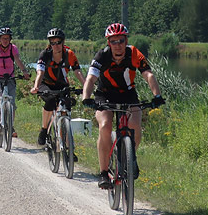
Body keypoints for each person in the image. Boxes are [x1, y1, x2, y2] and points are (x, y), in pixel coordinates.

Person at [81, 23, 164, 189]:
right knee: (105, 126)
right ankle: (104, 172)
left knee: (135, 124)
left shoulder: (133, 53)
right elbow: (90, 79)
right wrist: (86, 97)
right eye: (113, 41)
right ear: (108, 43)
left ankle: (131, 156)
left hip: (127, 93)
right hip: (104, 94)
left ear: (126, 40)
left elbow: (148, 75)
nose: (117, 45)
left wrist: (157, 95)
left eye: (121, 40)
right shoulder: (102, 56)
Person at [30, 28, 86, 153]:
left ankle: (68, 149)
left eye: (58, 42)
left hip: (62, 85)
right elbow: (40, 72)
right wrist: (36, 87)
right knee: (49, 101)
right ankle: (44, 130)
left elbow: (77, 71)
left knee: (66, 110)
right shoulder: (45, 54)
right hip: (46, 84)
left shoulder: (69, 54)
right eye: (52, 42)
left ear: (63, 42)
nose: (55, 45)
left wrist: (86, 86)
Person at [0, 27, 31, 137]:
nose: (5, 40)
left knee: (11, 103)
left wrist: (25, 72)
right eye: (3, 38)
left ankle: (10, 125)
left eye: (7, 38)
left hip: (9, 78)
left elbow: (18, 60)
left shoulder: (13, 49)